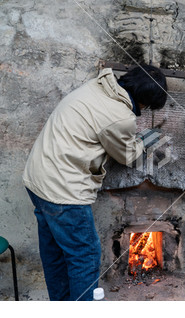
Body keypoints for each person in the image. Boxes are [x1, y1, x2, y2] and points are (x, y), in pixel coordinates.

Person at [23, 65, 167, 301]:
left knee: (56, 254)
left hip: (37, 179)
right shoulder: (120, 117)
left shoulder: (96, 86)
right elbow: (128, 156)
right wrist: (144, 139)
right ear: (144, 101)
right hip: (63, 191)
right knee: (85, 255)